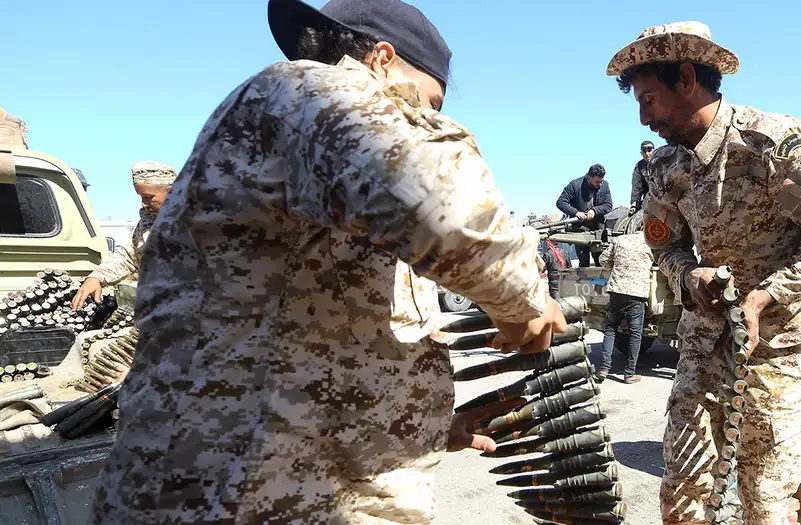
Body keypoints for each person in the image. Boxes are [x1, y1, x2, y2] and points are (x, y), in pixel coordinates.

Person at [90, 1, 567, 524]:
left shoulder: (316, 160)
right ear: (382, 60)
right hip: (240, 495)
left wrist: (419, 430)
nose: (427, 118)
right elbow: (446, 209)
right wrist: (525, 301)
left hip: (287, 483)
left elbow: (326, 343)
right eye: (429, 101)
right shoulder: (302, 91)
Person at [607, 21, 801, 524]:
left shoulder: (770, 145)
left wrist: (765, 297)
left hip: (779, 350)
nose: (643, 118)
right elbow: (664, 242)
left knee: (764, 500)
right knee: (683, 489)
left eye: (649, 99)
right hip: (704, 343)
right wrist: (687, 274)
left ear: (686, 78)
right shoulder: (666, 167)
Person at [70, 161, 176, 309]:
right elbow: (129, 256)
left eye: (148, 197)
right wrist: (97, 276)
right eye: (141, 197)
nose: (143, 204)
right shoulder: (149, 223)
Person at [593, 232, 653, 384]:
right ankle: (629, 373)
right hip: (636, 293)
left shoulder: (620, 239)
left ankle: (604, 369)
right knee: (635, 334)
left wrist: (614, 268)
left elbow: (603, 259)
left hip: (617, 290)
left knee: (610, 329)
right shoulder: (650, 242)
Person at [555, 163, 613, 266]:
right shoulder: (574, 185)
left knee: (601, 261)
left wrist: (594, 211)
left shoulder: (605, 185)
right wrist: (576, 212)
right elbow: (560, 202)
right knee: (583, 261)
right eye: (597, 182)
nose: (600, 184)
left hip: (598, 231)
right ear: (589, 177)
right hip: (579, 230)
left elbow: (608, 205)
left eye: (601, 181)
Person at [631, 140, 654, 211]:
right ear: (641, 153)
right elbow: (636, 188)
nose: (647, 154)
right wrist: (634, 205)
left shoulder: (662, 162)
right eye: (644, 151)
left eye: (649, 150)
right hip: (648, 200)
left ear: (654, 151)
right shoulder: (639, 167)